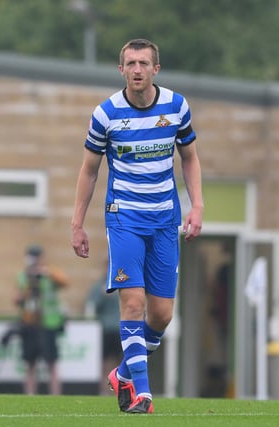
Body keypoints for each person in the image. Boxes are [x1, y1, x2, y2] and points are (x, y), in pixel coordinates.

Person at [71, 38, 203, 414]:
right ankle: (142, 393)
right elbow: (89, 171)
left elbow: (190, 159)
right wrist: (77, 223)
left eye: (144, 63)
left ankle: (123, 373)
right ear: (121, 70)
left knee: (161, 315)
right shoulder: (106, 114)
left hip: (165, 218)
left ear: (156, 69)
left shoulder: (176, 107)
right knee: (133, 302)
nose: (137, 70)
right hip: (124, 217)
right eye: (130, 63)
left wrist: (197, 206)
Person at [14, 244, 68, 395]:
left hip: (48, 324)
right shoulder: (23, 275)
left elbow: (65, 282)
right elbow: (17, 298)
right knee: (30, 364)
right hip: (30, 323)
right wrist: (28, 288)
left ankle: (56, 396)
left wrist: (46, 272)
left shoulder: (49, 273)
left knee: (52, 363)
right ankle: (30, 395)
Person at [84, 262, 123, 395]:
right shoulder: (100, 286)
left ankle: (123, 388)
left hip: (120, 328)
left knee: (122, 361)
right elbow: (91, 306)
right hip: (105, 329)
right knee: (104, 362)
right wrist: (102, 296)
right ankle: (103, 389)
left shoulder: (124, 284)